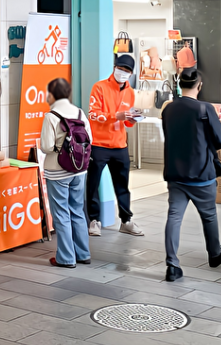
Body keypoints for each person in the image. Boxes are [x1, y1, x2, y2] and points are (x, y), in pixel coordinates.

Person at [161, 69, 221, 282]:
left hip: (175, 173)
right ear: (199, 86)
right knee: (209, 215)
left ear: (180, 84)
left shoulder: (168, 109)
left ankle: (172, 265)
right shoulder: (205, 108)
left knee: (174, 217)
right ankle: (214, 254)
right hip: (202, 173)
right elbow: (220, 140)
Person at [86, 54, 143, 237]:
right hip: (98, 144)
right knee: (93, 184)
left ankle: (126, 221)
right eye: (121, 69)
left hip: (120, 146)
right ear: (115, 67)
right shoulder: (99, 87)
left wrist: (132, 119)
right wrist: (115, 116)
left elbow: (126, 123)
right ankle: (94, 220)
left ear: (131, 73)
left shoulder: (131, 92)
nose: (123, 73)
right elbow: (93, 114)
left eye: (127, 71)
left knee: (123, 186)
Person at [40, 78, 92, 269]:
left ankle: (66, 258)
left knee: (61, 213)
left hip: (57, 171)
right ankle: (83, 253)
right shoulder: (79, 112)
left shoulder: (51, 116)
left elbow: (45, 147)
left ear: (52, 94)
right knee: (77, 210)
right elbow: (89, 139)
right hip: (79, 169)